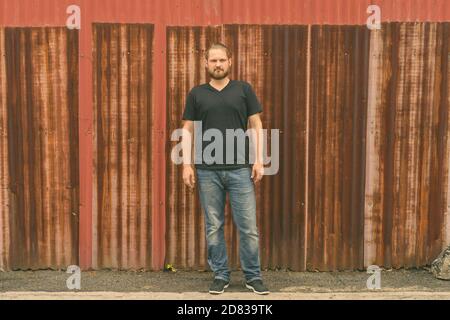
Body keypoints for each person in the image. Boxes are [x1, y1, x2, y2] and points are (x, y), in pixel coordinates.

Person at [180, 43, 269, 295]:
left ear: (230, 61)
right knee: (213, 226)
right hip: (207, 171)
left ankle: (253, 276)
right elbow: (187, 129)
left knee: (248, 226)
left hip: (240, 169)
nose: (218, 65)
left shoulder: (243, 90)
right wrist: (187, 164)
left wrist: (259, 159)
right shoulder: (197, 93)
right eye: (213, 61)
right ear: (205, 63)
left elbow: (255, 124)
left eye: (222, 60)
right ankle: (220, 275)